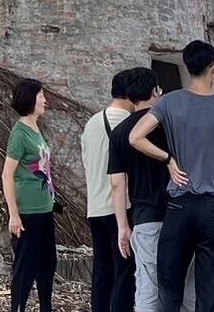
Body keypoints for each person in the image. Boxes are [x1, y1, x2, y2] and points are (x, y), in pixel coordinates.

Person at [129, 41, 214, 312]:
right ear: (212, 68)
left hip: (179, 206)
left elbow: (135, 137)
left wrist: (167, 159)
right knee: (208, 290)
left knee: (170, 286)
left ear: (187, 67)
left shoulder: (169, 102)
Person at [109, 67, 194, 312]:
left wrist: (123, 226)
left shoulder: (120, 133)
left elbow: (117, 185)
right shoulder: (173, 125)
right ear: (156, 91)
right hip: (181, 215)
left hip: (146, 218)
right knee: (187, 284)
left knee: (148, 286)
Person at [83, 69, 136, 312]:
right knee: (124, 273)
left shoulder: (92, 123)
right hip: (121, 209)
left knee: (102, 272)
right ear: (130, 94)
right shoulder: (129, 125)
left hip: (94, 208)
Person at [4, 78, 57, 312]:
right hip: (28, 213)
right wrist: (13, 214)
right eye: (41, 95)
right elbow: (7, 176)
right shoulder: (19, 134)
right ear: (30, 99)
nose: (45, 100)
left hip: (45, 210)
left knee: (48, 265)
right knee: (26, 268)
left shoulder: (36, 129)